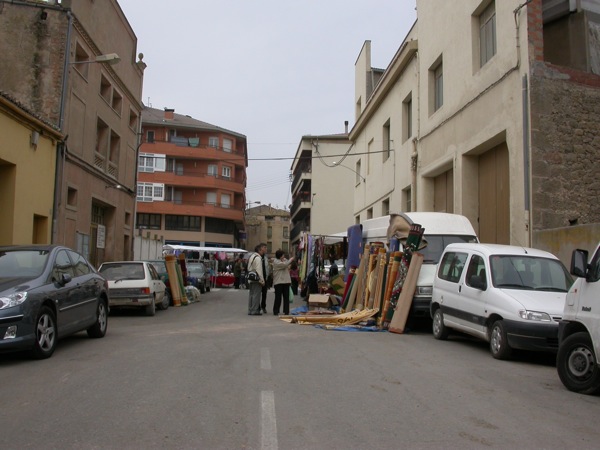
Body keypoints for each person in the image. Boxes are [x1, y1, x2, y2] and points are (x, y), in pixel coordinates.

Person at [272, 250, 295, 316]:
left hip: (286, 281)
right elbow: (285, 265)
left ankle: (286, 310)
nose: (284, 256)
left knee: (286, 297)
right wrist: (290, 260)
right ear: (280, 256)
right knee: (278, 297)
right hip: (278, 282)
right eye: (283, 255)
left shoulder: (284, 260)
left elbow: (287, 264)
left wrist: (286, 260)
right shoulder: (276, 262)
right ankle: (276, 310)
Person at [247, 243, 267, 315]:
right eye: (264, 247)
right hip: (256, 279)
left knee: (251, 294)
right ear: (260, 249)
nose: (265, 249)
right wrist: (262, 280)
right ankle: (255, 310)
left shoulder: (252, 256)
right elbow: (259, 271)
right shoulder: (258, 258)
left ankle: (250, 309)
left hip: (251, 278)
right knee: (256, 295)